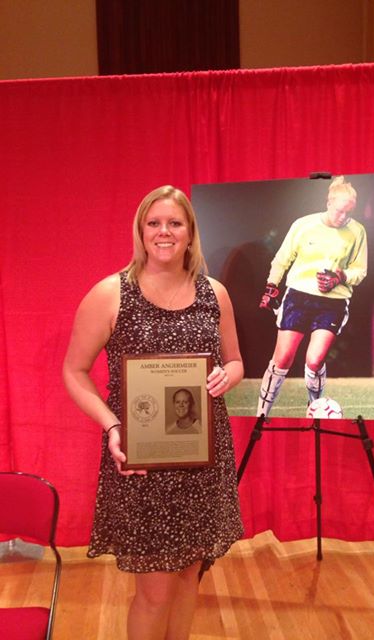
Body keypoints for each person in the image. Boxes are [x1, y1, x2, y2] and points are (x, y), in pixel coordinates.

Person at [63, 185, 244, 640]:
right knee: (155, 593)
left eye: (175, 223)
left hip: (203, 460)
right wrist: (112, 425)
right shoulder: (111, 293)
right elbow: (74, 371)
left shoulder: (214, 293)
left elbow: (236, 362)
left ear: (190, 232)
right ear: (141, 231)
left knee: (188, 578)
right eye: (155, 223)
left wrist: (229, 376)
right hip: (142, 461)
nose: (165, 232)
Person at [257, 176, 367, 418]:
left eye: (348, 213)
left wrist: (340, 277)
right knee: (282, 359)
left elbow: (360, 271)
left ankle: (316, 413)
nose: (343, 217)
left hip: (333, 302)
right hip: (298, 297)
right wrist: (271, 286)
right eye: (339, 211)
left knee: (315, 360)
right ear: (328, 203)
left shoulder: (357, 231)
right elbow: (282, 259)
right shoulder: (303, 225)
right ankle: (261, 415)